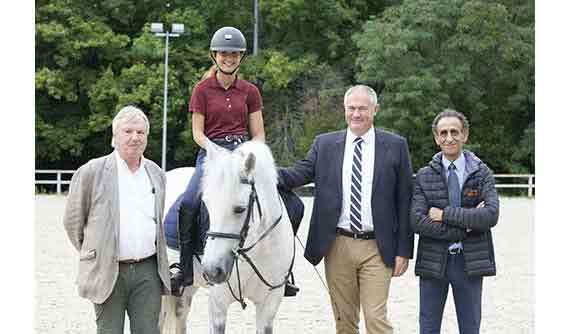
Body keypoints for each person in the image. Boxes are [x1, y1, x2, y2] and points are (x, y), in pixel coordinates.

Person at [278, 84, 414, 334]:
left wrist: (404, 250)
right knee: (344, 321)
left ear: (375, 110)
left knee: (376, 318)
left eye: (363, 108)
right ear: (344, 110)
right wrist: (265, 172)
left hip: (378, 246)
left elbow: (405, 200)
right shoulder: (325, 144)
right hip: (337, 244)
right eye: (351, 108)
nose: (356, 114)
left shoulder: (396, 145)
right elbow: (299, 173)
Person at [163, 26, 265, 290]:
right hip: (211, 155)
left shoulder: (250, 91)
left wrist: (248, 155)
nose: (228, 58)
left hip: (243, 155)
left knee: (287, 202)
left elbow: (259, 135)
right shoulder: (202, 89)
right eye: (223, 54)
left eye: (234, 54)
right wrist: (213, 148)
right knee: (189, 202)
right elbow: (197, 132)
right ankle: (184, 268)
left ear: (241, 57)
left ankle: (280, 272)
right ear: (214, 55)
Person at [62, 105, 171, 334]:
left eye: (140, 132)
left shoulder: (157, 174)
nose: (135, 137)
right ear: (115, 136)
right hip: (108, 272)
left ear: (147, 137)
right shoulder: (92, 171)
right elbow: (73, 221)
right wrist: (97, 252)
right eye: (128, 131)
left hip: (148, 271)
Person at [411, 109, 500, 334]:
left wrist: (444, 215)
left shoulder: (482, 173)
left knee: (470, 328)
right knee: (428, 328)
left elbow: (490, 215)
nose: (449, 137)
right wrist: (467, 227)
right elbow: (418, 221)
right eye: (443, 133)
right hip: (433, 261)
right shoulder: (423, 176)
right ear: (436, 137)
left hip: (469, 262)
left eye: (454, 132)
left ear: (465, 135)